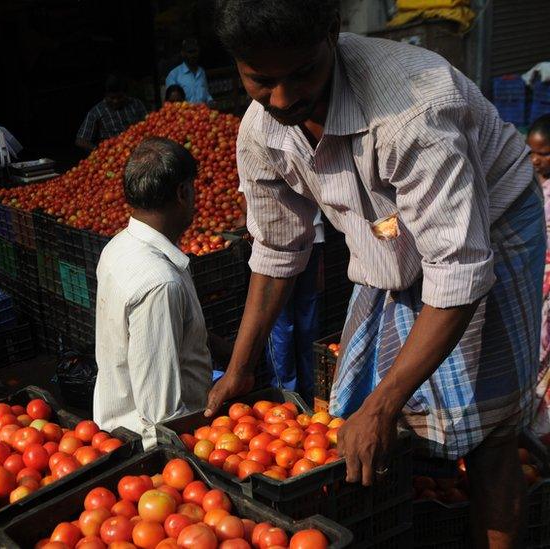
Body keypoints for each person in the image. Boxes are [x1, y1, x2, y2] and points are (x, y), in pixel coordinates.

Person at [205, 1, 543, 546]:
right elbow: (276, 250)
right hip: (386, 236)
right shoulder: (262, 132)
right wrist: (241, 368)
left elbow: (458, 270)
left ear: (333, 36)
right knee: (379, 414)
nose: (284, 98)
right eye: (261, 81)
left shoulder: (413, 113)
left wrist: (380, 405)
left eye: (302, 73)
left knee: (491, 432)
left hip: (491, 225)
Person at [94, 137, 233, 448]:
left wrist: (216, 346)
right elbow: (162, 413)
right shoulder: (159, 283)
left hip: (119, 427)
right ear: (183, 193)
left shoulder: (118, 247)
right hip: (153, 447)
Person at [265, 210, 324, 404]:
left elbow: (247, 205)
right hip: (311, 238)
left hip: (277, 243)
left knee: (279, 323)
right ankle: (311, 397)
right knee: (307, 322)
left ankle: (287, 401)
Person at [528, 115, 550, 442]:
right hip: (536, 287)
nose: (535, 159)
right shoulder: (530, 185)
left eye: (544, 153)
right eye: (531, 152)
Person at [75, 74, 148, 152]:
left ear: (126, 94)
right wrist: (99, 151)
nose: (115, 101)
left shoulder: (136, 104)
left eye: (120, 97)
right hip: (114, 154)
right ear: (105, 95)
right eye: (111, 98)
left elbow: (148, 126)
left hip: (139, 150)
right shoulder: (97, 112)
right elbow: (81, 140)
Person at [165, 39, 213, 105]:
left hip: (203, 113)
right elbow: (172, 104)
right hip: (185, 115)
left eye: (195, 51)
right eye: (190, 52)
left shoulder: (201, 72)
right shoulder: (173, 75)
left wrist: (210, 101)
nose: (193, 55)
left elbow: (206, 94)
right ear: (183, 53)